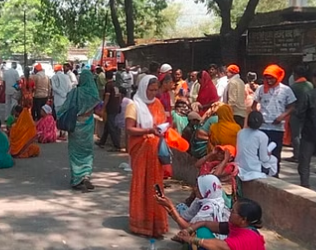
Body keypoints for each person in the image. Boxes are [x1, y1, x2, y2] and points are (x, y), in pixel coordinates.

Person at [125, 75, 169, 237]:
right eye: (150, 90)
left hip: (155, 152)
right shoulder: (134, 105)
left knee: (155, 186)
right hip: (141, 151)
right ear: (143, 88)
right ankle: (140, 222)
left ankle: (156, 224)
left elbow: (162, 123)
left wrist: (160, 130)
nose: (153, 93)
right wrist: (148, 131)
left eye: (156, 90)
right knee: (141, 185)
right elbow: (129, 129)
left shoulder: (157, 104)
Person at [57, 70, 101, 191]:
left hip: (75, 125)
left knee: (75, 152)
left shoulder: (75, 92)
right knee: (87, 151)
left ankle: (77, 178)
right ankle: (86, 175)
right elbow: (97, 108)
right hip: (88, 124)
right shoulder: (93, 93)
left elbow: (64, 108)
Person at [252, 64, 296, 176]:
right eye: (267, 78)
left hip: (277, 128)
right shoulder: (261, 89)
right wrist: (258, 116)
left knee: (275, 153)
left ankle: (275, 175)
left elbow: (292, 106)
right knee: (261, 152)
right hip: (262, 127)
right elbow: (254, 104)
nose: (269, 80)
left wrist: (282, 116)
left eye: (271, 78)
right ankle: (261, 173)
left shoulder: (286, 90)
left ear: (278, 77)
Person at [156, 174, 230, 232]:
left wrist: (171, 206)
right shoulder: (200, 200)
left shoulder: (210, 208)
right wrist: (167, 206)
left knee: (199, 232)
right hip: (195, 228)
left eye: (199, 187)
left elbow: (190, 228)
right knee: (180, 207)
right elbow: (185, 217)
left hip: (212, 240)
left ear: (207, 190)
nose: (195, 189)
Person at [236, 111, 278, 181]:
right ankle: (270, 178)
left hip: (239, 165)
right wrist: (269, 155)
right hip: (253, 168)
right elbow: (263, 158)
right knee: (274, 160)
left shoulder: (240, 132)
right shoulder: (262, 136)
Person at [286, 65, 313, 163]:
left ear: (295, 75)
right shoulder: (310, 85)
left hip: (296, 113)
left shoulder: (294, 87)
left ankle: (297, 155)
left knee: (296, 135)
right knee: (305, 135)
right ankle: (305, 155)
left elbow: (288, 102)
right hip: (308, 114)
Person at [97, 70, 123, 151]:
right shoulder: (116, 84)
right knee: (108, 125)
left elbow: (107, 98)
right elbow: (119, 95)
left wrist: (103, 108)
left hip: (110, 107)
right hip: (116, 106)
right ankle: (102, 141)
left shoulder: (108, 85)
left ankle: (116, 145)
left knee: (111, 126)